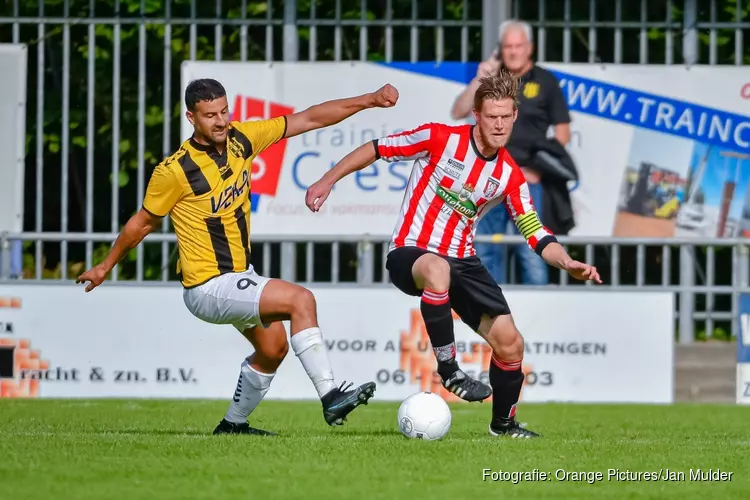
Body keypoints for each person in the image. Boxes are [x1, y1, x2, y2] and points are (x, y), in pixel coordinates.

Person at [76, 78, 400, 436]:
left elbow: (308, 118)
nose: (220, 121)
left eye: (224, 111)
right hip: (208, 285)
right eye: (210, 115)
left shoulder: (241, 140)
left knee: (273, 348)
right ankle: (330, 396)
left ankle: (232, 425)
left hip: (239, 276)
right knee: (301, 300)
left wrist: (369, 100)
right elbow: (142, 223)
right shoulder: (174, 171)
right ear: (191, 118)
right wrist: (105, 266)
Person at [305, 70, 600, 438]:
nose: (498, 124)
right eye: (491, 116)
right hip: (411, 251)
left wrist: (566, 262)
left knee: (511, 344)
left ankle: (504, 425)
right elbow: (377, 148)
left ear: (514, 116)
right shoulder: (439, 138)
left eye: (505, 116)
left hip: (463, 260)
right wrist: (327, 180)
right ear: (476, 115)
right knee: (436, 269)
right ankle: (449, 370)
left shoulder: (509, 175)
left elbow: (536, 233)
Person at [450, 20, 573, 286]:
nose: (513, 52)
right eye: (508, 46)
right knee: (484, 248)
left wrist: (539, 168)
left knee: (531, 250)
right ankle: (489, 306)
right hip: (489, 177)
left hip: (527, 181)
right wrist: (480, 78)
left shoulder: (546, 81)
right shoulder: (492, 78)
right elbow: (458, 111)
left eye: (518, 46)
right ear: (500, 49)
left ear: (530, 48)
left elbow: (563, 134)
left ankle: (538, 308)